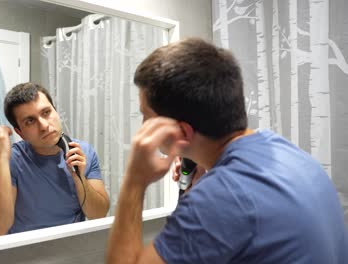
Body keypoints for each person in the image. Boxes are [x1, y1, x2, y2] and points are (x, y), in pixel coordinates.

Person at [106, 38, 347, 263]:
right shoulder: (292, 155)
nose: (141, 128)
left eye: (145, 116)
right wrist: (208, 177)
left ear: (180, 132)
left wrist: (134, 182)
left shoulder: (218, 199)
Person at [0, 82, 110, 236]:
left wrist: (78, 176)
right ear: (20, 132)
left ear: (56, 111)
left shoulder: (83, 152)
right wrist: (1, 157)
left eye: (46, 112)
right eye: (30, 121)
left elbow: (99, 214)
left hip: (72, 248)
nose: (44, 126)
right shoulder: (12, 159)